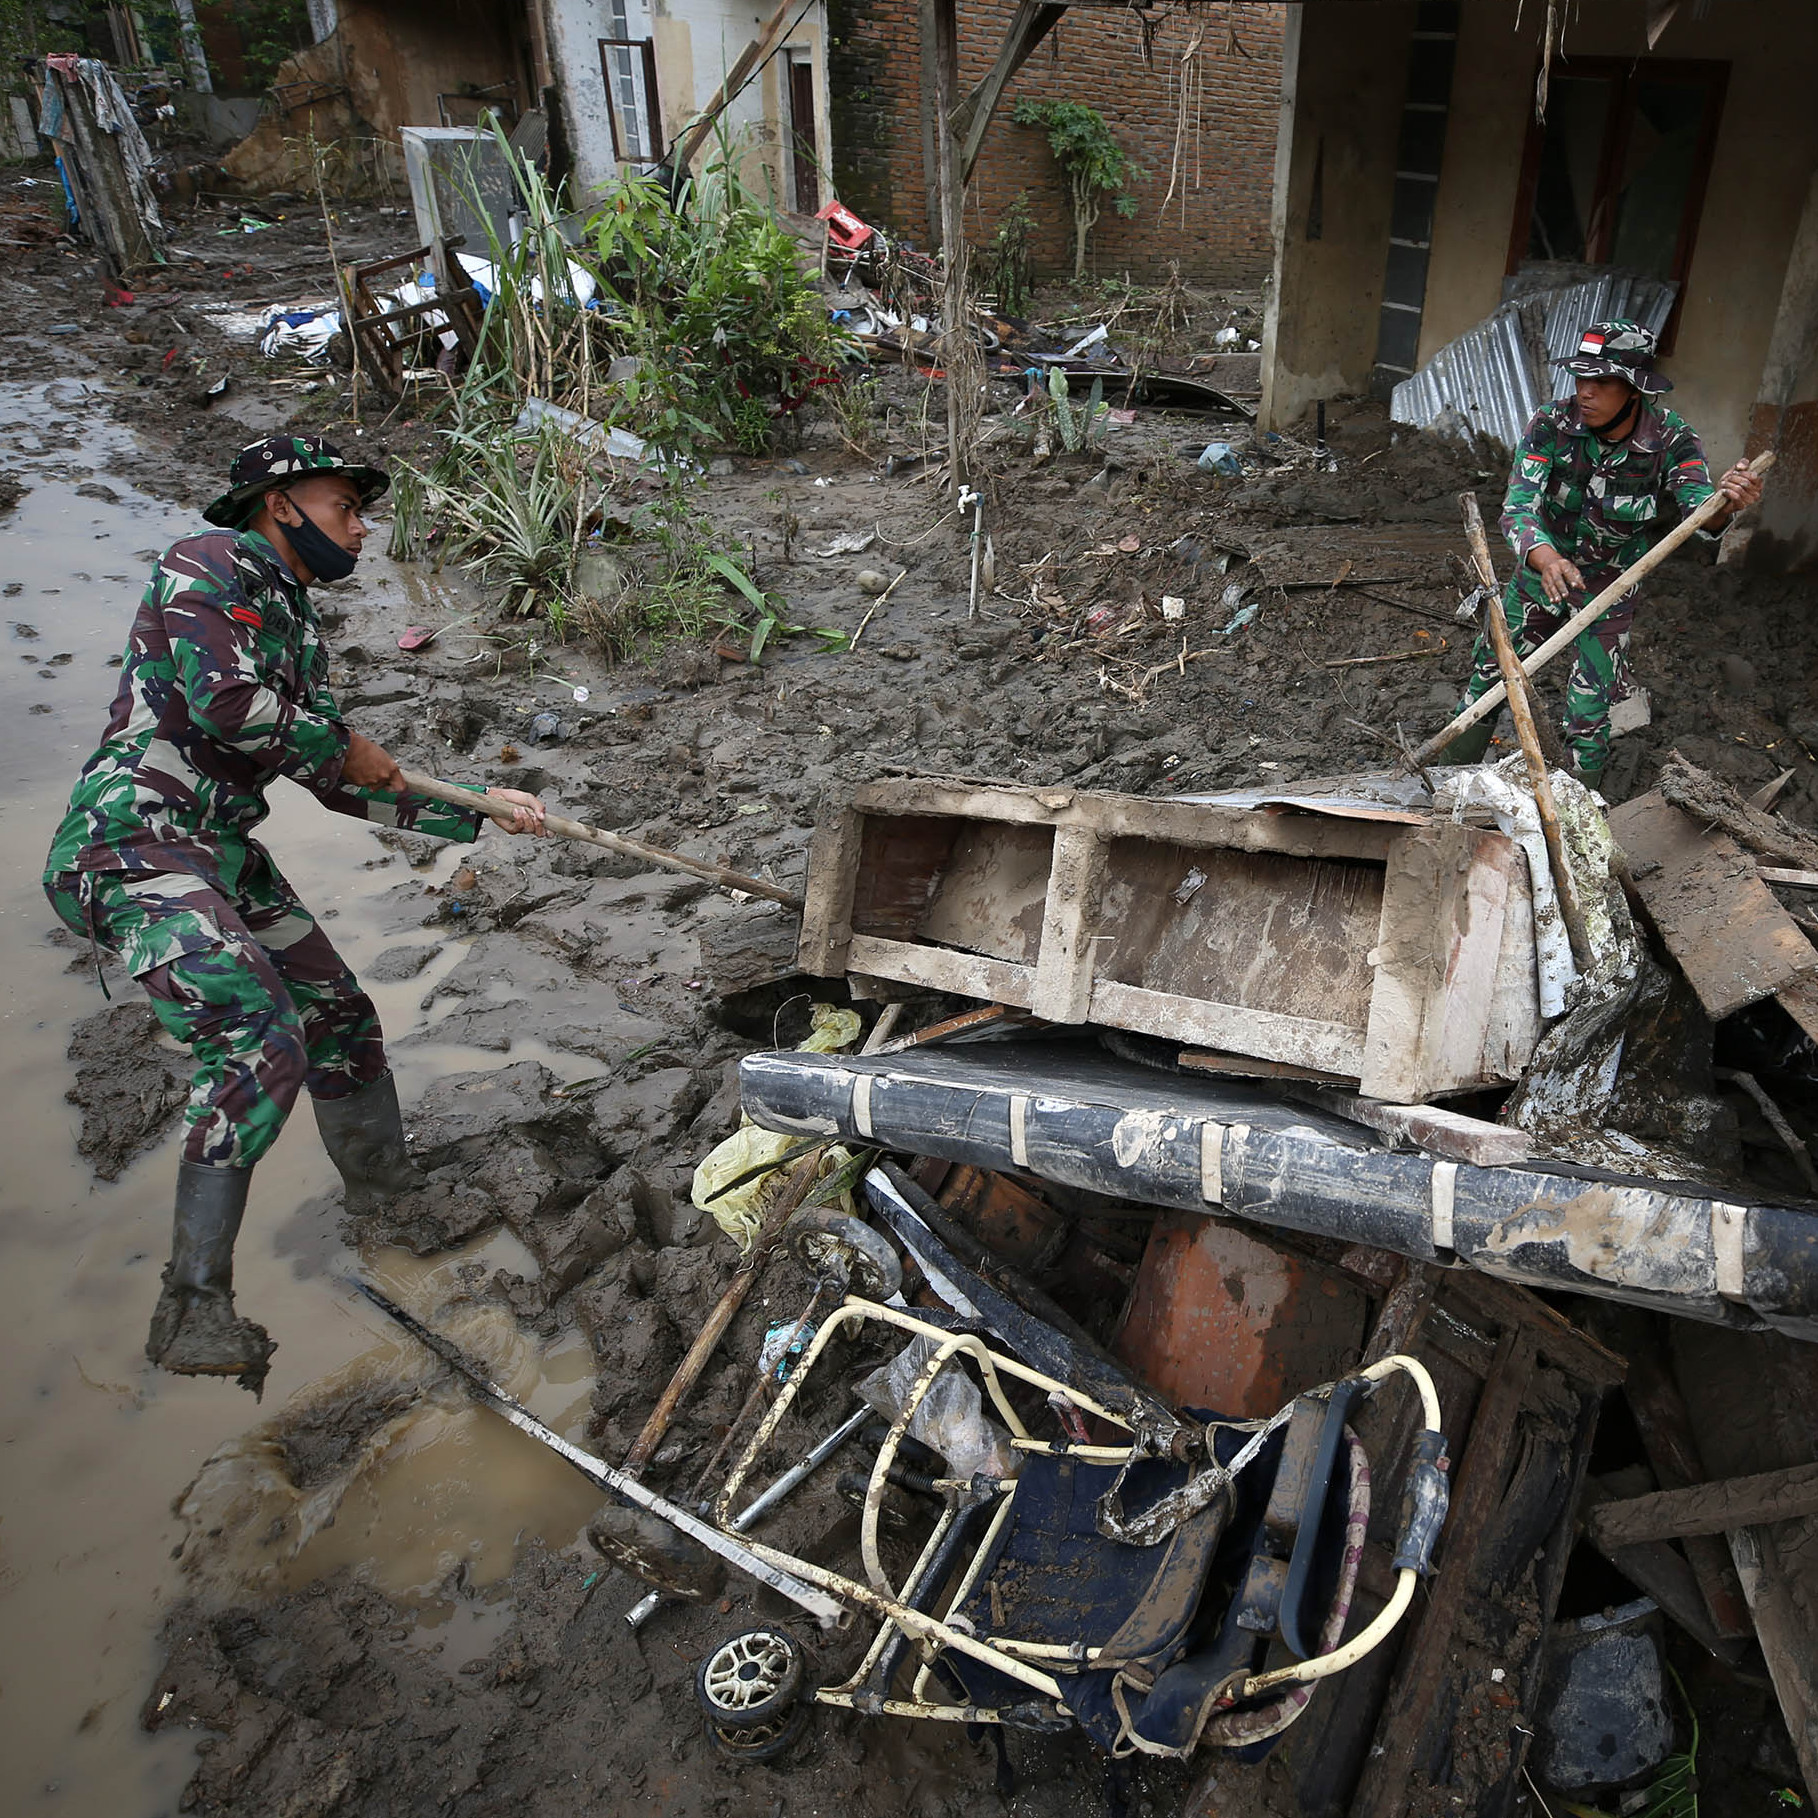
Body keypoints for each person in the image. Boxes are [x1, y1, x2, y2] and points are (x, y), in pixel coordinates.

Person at [43, 435, 548, 1393]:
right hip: (134, 842)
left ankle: (387, 1196)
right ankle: (192, 1303)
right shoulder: (208, 562)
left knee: (337, 1018)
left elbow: (338, 782)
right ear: (281, 505)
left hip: (219, 853)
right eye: (343, 507)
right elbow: (229, 705)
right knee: (257, 1032)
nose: (360, 527)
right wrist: (345, 739)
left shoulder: (293, 623)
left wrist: (476, 809)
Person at [1440, 319, 1764, 788]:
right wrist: (1546, 559)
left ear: (1634, 390)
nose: (1585, 393)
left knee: (1589, 712)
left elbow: (1702, 516)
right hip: (1539, 579)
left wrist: (1726, 502)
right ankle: (1447, 782)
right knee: (1490, 681)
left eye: (1602, 382)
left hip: (1609, 590)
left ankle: (1578, 809)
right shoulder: (1551, 424)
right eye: (1581, 379)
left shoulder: (1672, 440)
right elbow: (1517, 507)